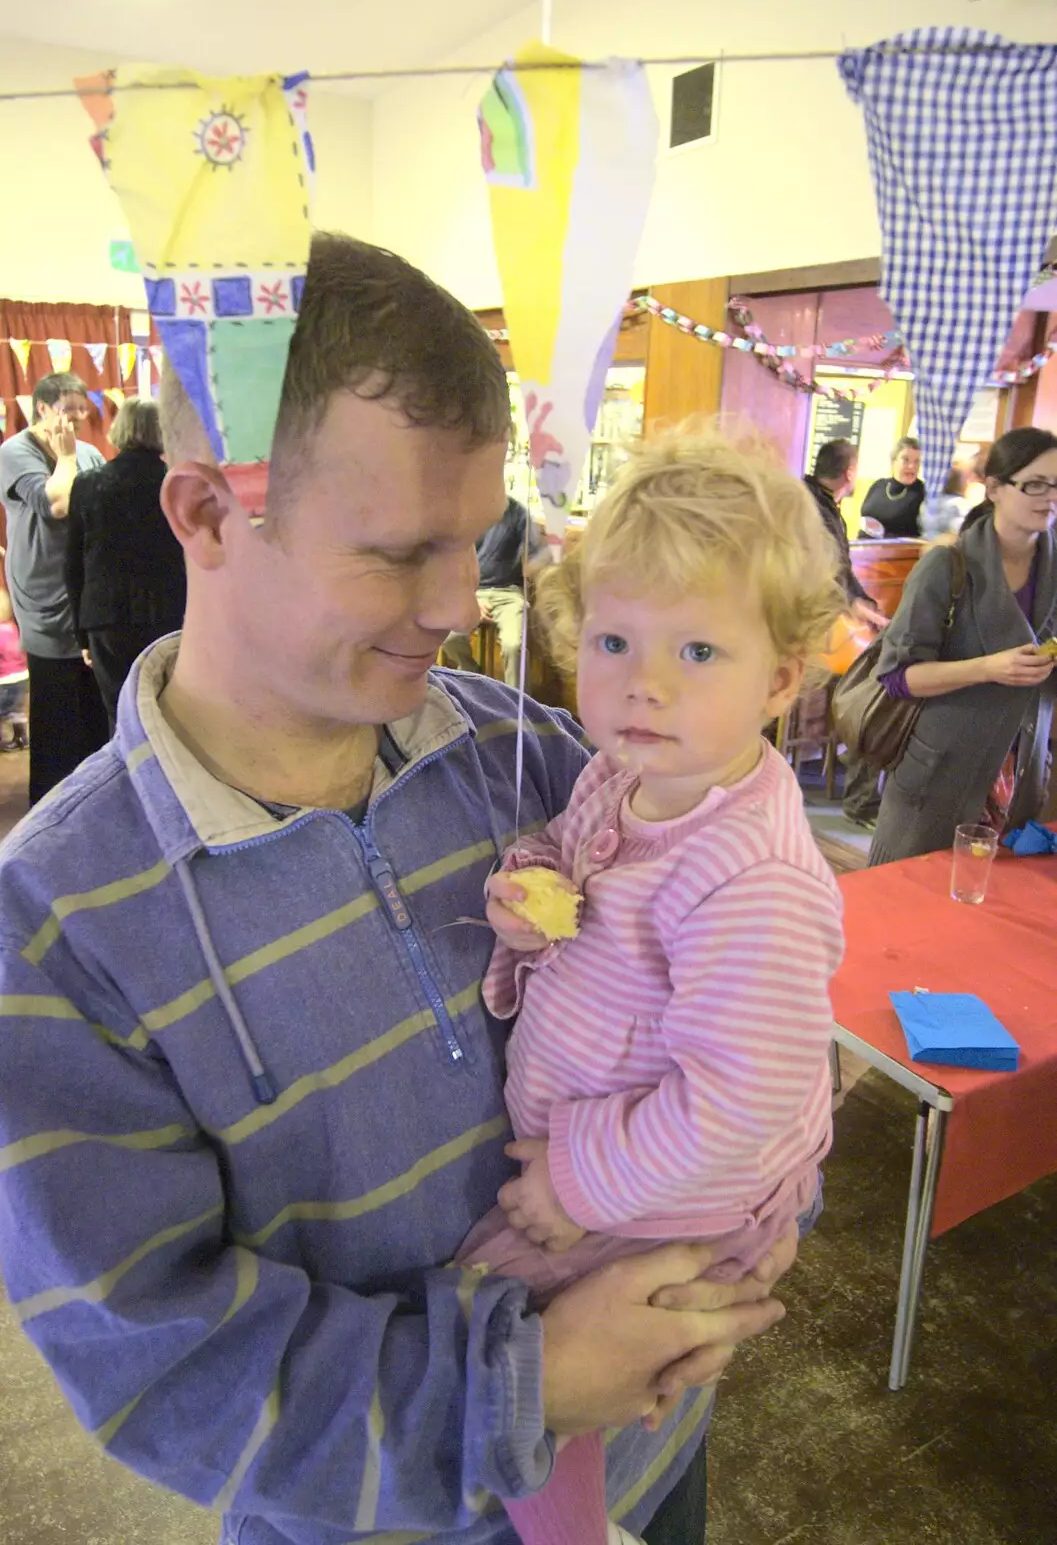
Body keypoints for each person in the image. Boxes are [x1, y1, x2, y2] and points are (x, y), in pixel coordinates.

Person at [0, 234, 795, 1545]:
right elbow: (168, 1373)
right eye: (397, 551)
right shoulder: (54, 932)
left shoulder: (533, 756)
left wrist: (743, 1230)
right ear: (204, 513)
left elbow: (739, 1011)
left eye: (470, 543)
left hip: (655, 1463)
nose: (452, 601)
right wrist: (530, 1383)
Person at [454, 432, 845, 1545]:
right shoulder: (631, 774)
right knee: (541, 1364)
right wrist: (532, 885)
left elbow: (741, 1103)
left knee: (516, 1341)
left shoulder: (750, 875)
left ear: (779, 678)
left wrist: (576, 1184)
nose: (646, 683)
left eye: (699, 652)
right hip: (633, 1177)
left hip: (649, 1194)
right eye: (616, 640)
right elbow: (573, 853)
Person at [870, 427, 1057, 866]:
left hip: (1024, 776)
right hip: (940, 773)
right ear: (993, 488)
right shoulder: (948, 566)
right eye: (1034, 484)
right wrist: (988, 667)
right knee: (909, 908)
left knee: (995, 915)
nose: (1048, 497)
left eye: (1056, 485)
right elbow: (897, 676)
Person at [0, 372, 109, 802]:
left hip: (88, 588)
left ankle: (93, 798)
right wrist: (65, 459)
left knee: (93, 699)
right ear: (42, 408)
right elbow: (57, 504)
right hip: (43, 593)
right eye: (68, 408)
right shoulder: (14, 451)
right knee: (57, 701)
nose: (79, 417)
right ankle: (52, 801)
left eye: (82, 407)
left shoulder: (90, 453)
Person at [64, 394, 186, 732]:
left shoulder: (88, 484)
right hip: (171, 613)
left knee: (121, 718)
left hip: (106, 618)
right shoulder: (176, 483)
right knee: (170, 716)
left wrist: (82, 636)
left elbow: (73, 566)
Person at [804, 439, 887, 830]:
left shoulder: (812, 503)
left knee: (880, 673)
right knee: (879, 684)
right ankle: (860, 798)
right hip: (808, 633)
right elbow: (826, 576)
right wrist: (855, 604)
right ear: (849, 473)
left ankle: (855, 780)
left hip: (817, 625)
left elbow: (839, 573)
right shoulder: (813, 510)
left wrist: (862, 601)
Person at [443, 494, 546, 687]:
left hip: (508, 593)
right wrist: (468, 596)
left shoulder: (519, 513)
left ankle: (519, 705)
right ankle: (472, 675)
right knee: (448, 638)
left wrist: (535, 566)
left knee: (514, 645)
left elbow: (539, 553)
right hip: (473, 592)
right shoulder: (466, 512)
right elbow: (452, 561)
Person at [858, 436, 925, 540]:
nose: (912, 466)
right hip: (864, 548)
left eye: (916, 461)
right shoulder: (879, 485)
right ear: (893, 461)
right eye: (905, 460)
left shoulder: (922, 492)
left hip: (897, 553)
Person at [0, 583, 28, 750]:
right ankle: (21, 738)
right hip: (21, 676)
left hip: (5, 680)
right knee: (16, 710)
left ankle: (2, 742)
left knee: (2, 712)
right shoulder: (13, 628)